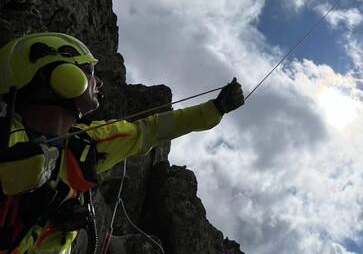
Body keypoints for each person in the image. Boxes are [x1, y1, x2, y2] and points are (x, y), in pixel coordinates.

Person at [0, 32, 244, 254]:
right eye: (88, 71)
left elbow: (148, 131)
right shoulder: (6, 133)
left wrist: (215, 109)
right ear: (61, 74)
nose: (99, 82)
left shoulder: (85, 143)